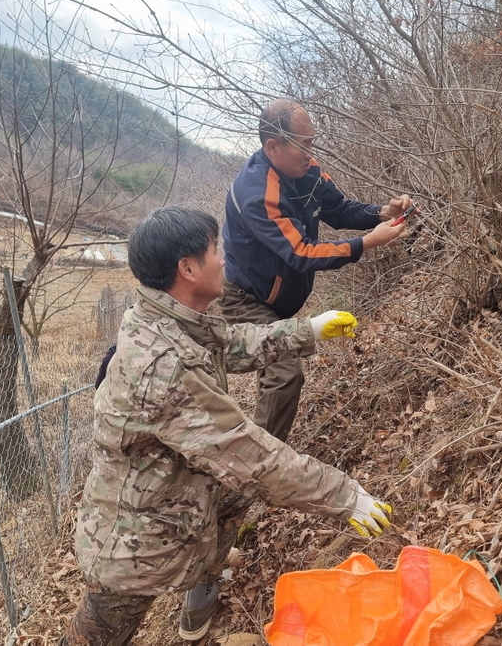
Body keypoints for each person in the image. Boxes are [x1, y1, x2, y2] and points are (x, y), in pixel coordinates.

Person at [60, 205, 393, 646]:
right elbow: (248, 454)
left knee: (234, 494)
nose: (223, 260)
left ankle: (201, 595)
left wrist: (309, 330)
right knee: (100, 633)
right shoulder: (162, 366)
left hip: (177, 500)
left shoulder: (170, 317)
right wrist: (344, 496)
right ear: (188, 269)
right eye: (216, 250)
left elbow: (230, 342)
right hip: (134, 541)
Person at [220, 97, 413, 442]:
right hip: (248, 298)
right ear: (273, 146)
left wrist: (383, 212)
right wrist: (368, 242)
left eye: (312, 142)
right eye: (303, 145)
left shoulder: (305, 169)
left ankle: (262, 448)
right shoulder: (258, 195)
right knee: (284, 374)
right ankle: (260, 460)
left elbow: (338, 210)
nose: (311, 154)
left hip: (279, 295)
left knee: (278, 373)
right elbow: (301, 253)